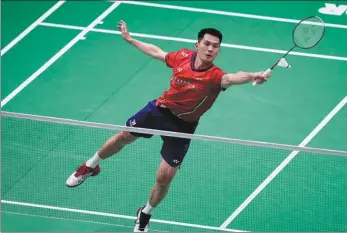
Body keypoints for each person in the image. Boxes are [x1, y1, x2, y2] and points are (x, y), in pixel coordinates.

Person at [66, 20, 270, 232]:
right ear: (197, 44)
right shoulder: (182, 57)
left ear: (218, 50)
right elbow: (157, 52)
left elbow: (233, 77)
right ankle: (91, 165)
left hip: (183, 126)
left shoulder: (215, 77)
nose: (210, 49)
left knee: (164, 177)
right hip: (159, 110)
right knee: (124, 136)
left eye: (215, 46)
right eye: (207, 43)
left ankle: (145, 213)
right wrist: (130, 39)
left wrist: (253, 76)